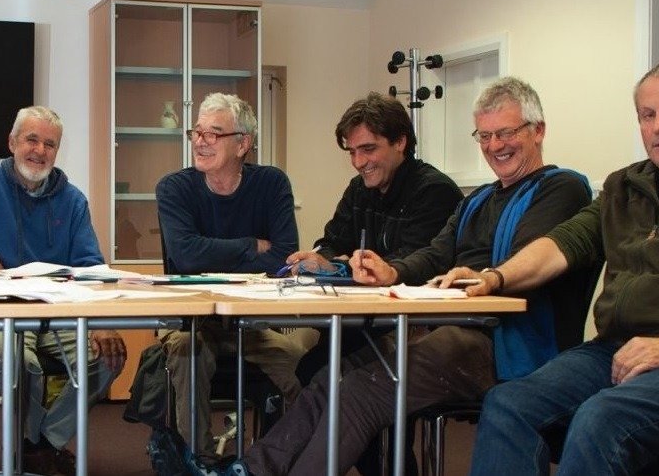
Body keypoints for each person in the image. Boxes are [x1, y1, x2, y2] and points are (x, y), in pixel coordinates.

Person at [242, 77, 595, 475]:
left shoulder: (563, 188)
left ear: (539, 130)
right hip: (448, 329)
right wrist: (391, 271)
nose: (495, 146)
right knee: (328, 379)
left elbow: (527, 261)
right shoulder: (478, 199)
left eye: (507, 133)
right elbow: (435, 254)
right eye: (485, 135)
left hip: (503, 343)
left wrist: (481, 277)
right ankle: (253, 470)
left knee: (359, 392)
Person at [454, 61, 659, 475]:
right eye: (647, 116)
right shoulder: (624, 186)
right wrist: (494, 278)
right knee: (508, 403)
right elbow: (562, 245)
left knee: (603, 417)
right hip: (620, 349)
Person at [281, 91, 463, 473]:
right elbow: (333, 241)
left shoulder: (435, 191)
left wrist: (345, 265)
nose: (358, 162)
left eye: (367, 149)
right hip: (364, 323)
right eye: (352, 152)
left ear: (400, 142)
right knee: (310, 368)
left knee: (337, 377)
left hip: (412, 328)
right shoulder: (358, 189)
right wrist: (324, 259)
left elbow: (412, 265)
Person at [0, 105, 126, 475]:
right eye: (32, 139)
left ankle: (41, 441)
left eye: (50, 144)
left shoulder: (73, 200)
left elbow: (91, 267)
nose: (40, 150)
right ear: (12, 142)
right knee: (21, 362)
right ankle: (38, 447)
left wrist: (102, 322)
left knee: (109, 356)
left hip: (58, 313)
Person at [156, 92, 306, 453]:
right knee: (187, 352)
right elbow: (187, 257)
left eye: (214, 133)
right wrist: (251, 246)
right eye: (197, 132)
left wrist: (213, 255)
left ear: (243, 144)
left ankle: (283, 457)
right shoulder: (174, 188)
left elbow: (285, 258)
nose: (201, 141)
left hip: (252, 323)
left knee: (307, 369)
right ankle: (201, 461)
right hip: (191, 323)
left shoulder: (271, 184)